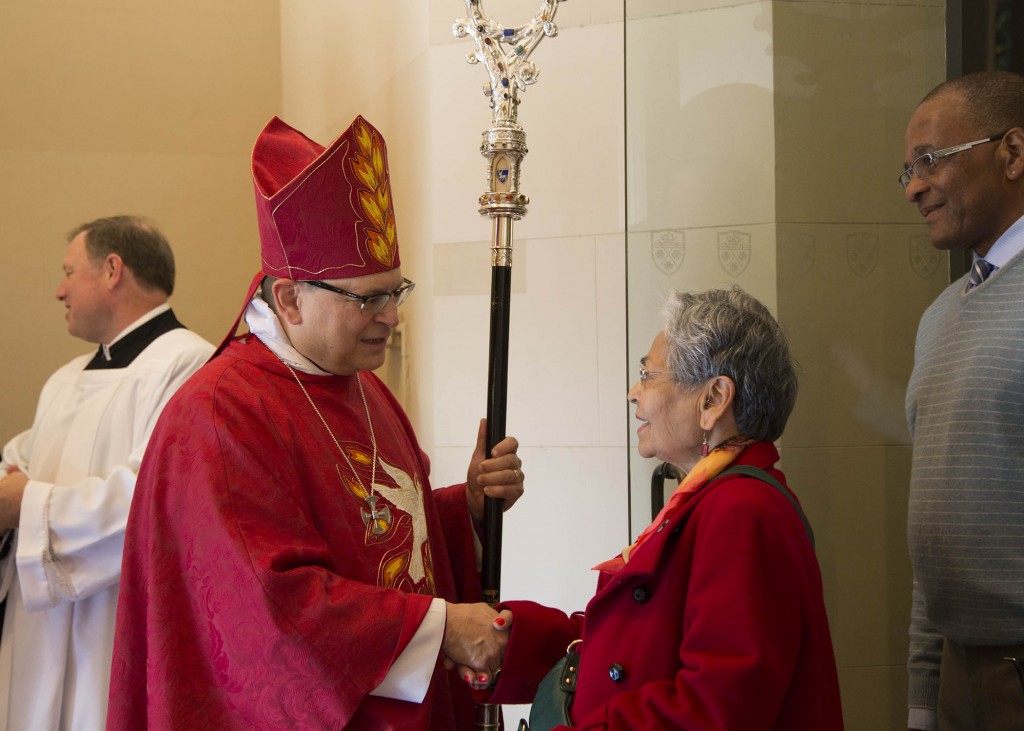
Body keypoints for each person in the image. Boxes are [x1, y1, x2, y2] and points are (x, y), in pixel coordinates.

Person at [106, 115, 525, 730]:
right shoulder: (219, 416)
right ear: (290, 299)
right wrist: (440, 628)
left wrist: (467, 511)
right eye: (367, 299)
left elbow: (373, 543)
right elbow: (267, 610)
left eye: (395, 292)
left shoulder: (364, 388)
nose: (392, 318)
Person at [486, 287, 844, 730]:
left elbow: (717, 708)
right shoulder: (710, 496)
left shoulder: (743, 510)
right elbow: (634, 646)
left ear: (713, 399)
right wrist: (510, 641)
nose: (633, 393)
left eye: (649, 375)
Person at [0, 216, 214, 730]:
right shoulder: (64, 379)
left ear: (112, 270)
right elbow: (19, 463)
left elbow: (154, 500)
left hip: (112, 628)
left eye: (69, 272)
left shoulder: (191, 366)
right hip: (35, 630)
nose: (59, 290)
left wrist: (24, 507)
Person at [900, 70, 1024, 731]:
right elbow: (935, 523)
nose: (916, 186)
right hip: (956, 671)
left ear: (1012, 153)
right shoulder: (940, 318)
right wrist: (924, 695)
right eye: (908, 170)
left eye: (931, 160)